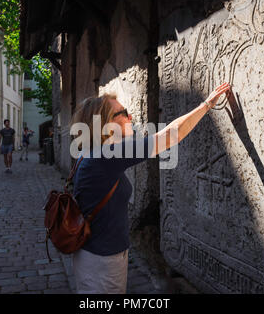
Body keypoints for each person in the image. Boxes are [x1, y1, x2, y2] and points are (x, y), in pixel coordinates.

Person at [70, 83, 230, 294]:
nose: (130, 118)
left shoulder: (94, 154)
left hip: (102, 255)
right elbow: (172, 135)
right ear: (105, 123)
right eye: (124, 113)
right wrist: (206, 105)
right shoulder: (105, 156)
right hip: (102, 262)